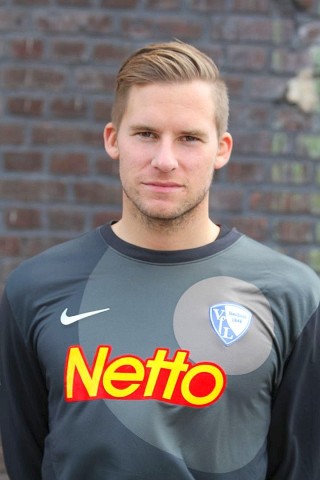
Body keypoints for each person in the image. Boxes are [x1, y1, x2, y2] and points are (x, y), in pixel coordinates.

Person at [0, 41, 319, 480]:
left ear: (221, 149)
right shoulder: (33, 290)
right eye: (146, 134)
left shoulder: (293, 297)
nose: (165, 160)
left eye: (189, 138)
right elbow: (26, 459)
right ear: (113, 139)